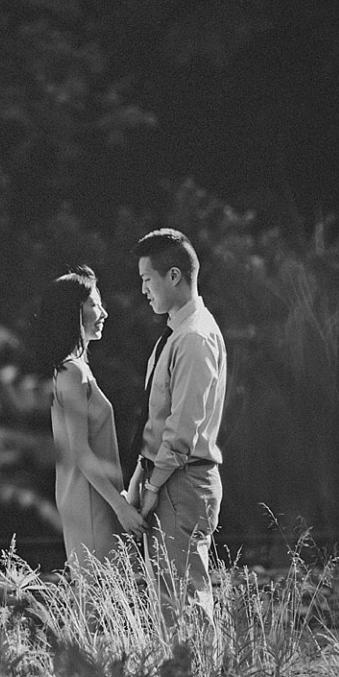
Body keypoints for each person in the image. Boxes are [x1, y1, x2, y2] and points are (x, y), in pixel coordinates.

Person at [127, 229, 227, 615]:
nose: (143, 291)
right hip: (170, 479)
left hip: (181, 482)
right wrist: (141, 480)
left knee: (185, 605)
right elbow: (157, 422)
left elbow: (181, 431)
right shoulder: (176, 335)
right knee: (170, 604)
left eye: (146, 280)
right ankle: (182, 676)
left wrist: (152, 486)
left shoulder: (195, 338)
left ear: (174, 276)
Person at [34, 266, 147, 573]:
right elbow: (80, 453)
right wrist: (121, 506)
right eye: (95, 304)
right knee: (100, 604)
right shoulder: (72, 373)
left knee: (105, 603)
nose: (104, 313)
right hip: (91, 501)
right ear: (74, 312)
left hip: (95, 498)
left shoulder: (74, 370)